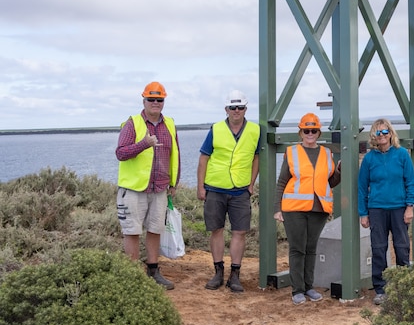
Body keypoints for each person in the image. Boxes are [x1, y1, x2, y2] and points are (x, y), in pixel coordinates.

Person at [115, 81, 180, 289]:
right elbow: (121, 153)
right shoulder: (132, 123)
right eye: (151, 99)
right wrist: (144, 144)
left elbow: (175, 154)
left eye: (159, 99)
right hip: (134, 189)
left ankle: (153, 272)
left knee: (155, 229)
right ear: (143, 100)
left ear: (163, 101)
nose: (155, 103)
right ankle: (133, 277)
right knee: (132, 231)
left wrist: (174, 182)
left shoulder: (169, 123)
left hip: (160, 188)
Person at [196, 90, 261, 293]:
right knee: (216, 230)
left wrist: (251, 184)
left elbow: (256, 158)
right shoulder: (215, 129)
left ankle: (235, 274)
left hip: (240, 190)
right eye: (232, 107)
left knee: (239, 232)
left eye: (240, 107)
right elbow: (204, 158)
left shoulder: (255, 130)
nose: (236, 111)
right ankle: (217, 272)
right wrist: (200, 187)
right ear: (226, 109)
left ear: (245, 109)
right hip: (215, 188)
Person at [273, 113, 341, 305]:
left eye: (313, 130)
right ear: (300, 132)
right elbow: (282, 182)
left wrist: (339, 172)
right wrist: (277, 208)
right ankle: (297, 290)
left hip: (318, 208)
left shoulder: (326, 154)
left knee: (311, 248)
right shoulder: (292, 152)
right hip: (294, 208)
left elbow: (330, 182)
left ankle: (309, 287)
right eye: (306, 130)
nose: (310, 133)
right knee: (297, 249)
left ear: (319, 132)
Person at [358, 118, 414, 305]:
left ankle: (402, 286)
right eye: (378, 133)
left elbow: (411, 182)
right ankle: (381, 289)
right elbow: (362, 187)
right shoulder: (369, 159)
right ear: (373, 136)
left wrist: (410, 207)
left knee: (402, 247)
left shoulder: (401, 155)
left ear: (391, 134)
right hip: (376, 210)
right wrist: (363, 213)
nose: (382, 136)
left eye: (385, 132)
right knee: (378, 248)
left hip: (399, 208)